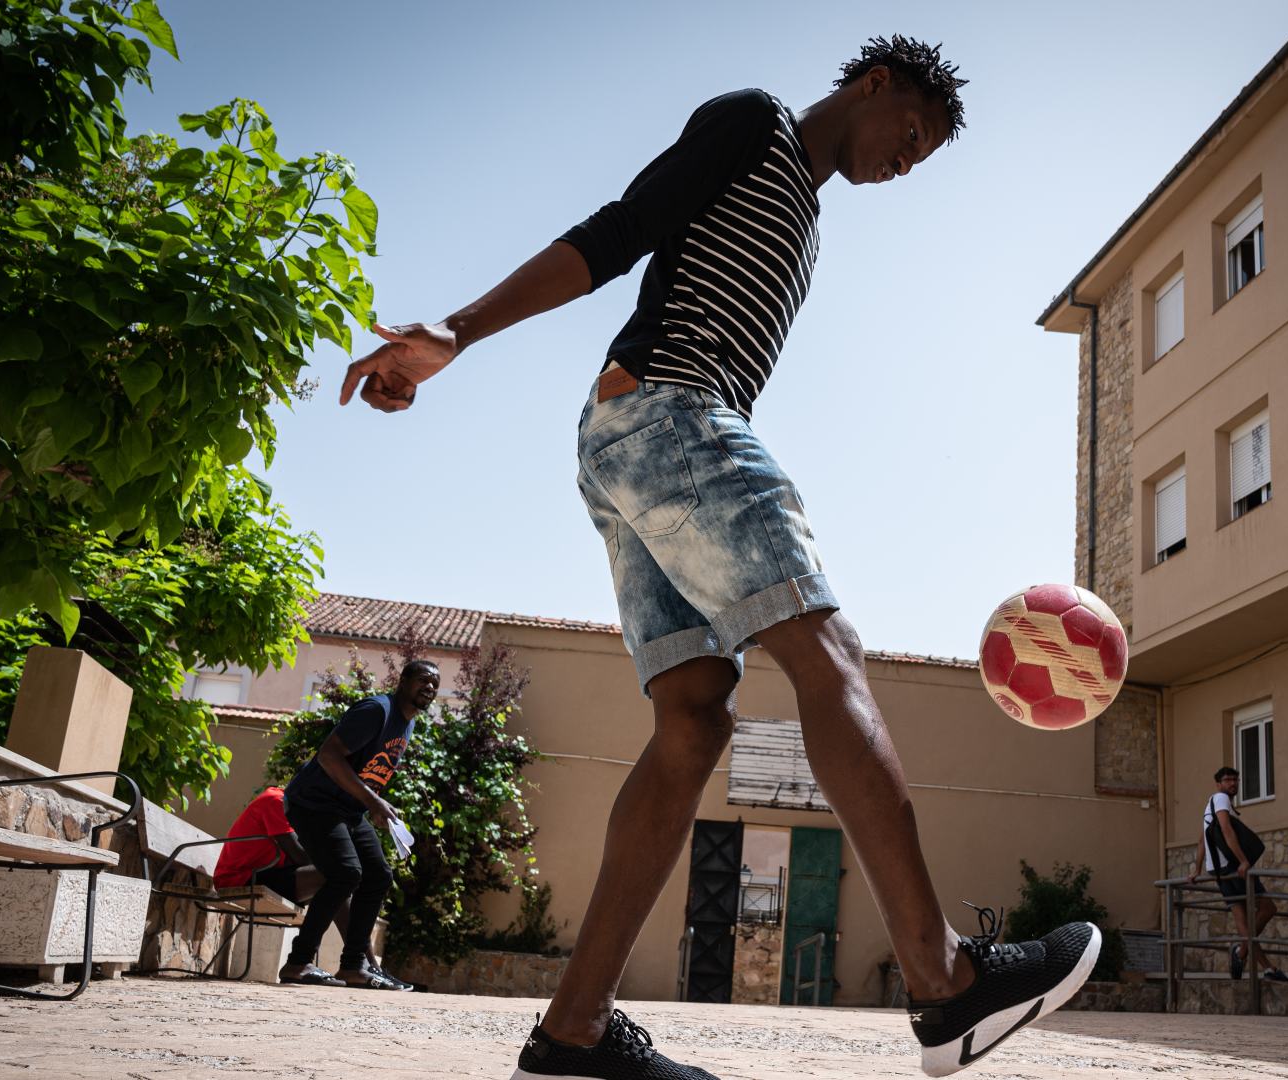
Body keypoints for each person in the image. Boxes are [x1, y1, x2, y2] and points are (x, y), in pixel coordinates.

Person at [338, 37, 1099, 1080]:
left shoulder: (806, 217)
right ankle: (947, 981)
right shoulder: (757, 124)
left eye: (918, 161)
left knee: (694, 721)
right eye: (909, 135)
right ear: (873, 85)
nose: (902, 164)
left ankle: (572, 1036)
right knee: (829, 654)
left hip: (629, 443)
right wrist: (459, 332)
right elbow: (622, 230)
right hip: (672, 417)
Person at [277, 661, 440, 990]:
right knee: (345, 873)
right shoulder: (376, 710)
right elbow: (329, 756)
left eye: (435, 684)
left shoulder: (406, 723)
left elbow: (367, 772)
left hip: (348, 810)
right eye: (424, 679)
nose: (430, 687)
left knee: (378, 875)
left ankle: (353, 966)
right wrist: (372, 801)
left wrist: (376, 803)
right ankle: (298, 963)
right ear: (403, 680)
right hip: (314, 803)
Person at [212, 785, 411, 991]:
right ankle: (356, 964)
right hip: (241, 878)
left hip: (267, 874)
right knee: (340, 875)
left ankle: (365, 965)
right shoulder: (276, 800)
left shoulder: (301, 807)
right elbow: (299, 855)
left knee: (342, 877)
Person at [1186, 767, 1287, 982]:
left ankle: (1264, 966)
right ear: (1218, 784)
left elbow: (1202, 839)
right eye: (1227, 780)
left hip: (1218, 870)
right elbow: (1226, 830)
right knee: (1268, 908)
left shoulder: (1211, 804)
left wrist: (1197, 869)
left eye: (1235, 779)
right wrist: (1243, 860)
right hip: (1231, 867)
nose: (1233, 783)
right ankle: (1242, 952)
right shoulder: (1221, 799)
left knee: (1242, 919)